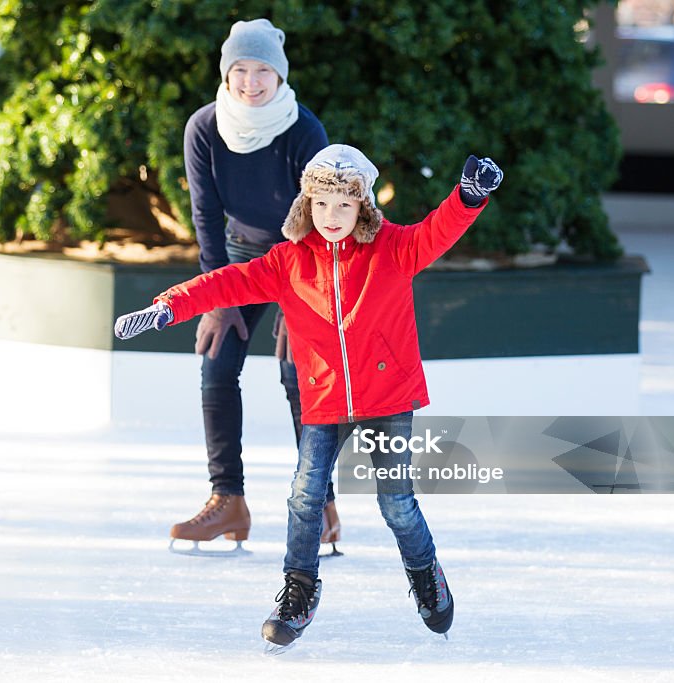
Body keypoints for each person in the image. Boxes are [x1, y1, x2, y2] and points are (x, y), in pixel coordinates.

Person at [114, 144, 503, 649]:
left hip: (388, 398)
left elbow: (437, 231)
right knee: (304, 498)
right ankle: (299, 589)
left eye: (344, 204)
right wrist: (170, 306)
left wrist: (468, 196)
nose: (332, 215)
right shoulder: (288, 261)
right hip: (324, 398)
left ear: (363, 206)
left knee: (397, 504)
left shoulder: (392, 248)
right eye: (321, 204)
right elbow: (228, 283)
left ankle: (426, 574)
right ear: (306, 206)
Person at [174, 17, 341, 554]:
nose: (250, 81)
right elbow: (206, 214)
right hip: (242, 253)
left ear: (279, 75)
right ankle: (229, 502)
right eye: (240, 69)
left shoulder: (303, 130)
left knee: (300, 372)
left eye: (262, 70)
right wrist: (216, 297)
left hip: (303, 254)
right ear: (226, 74)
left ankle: (322, 504)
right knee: (217, 360)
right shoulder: (203, 128)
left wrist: (301, 307)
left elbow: (319, 218)